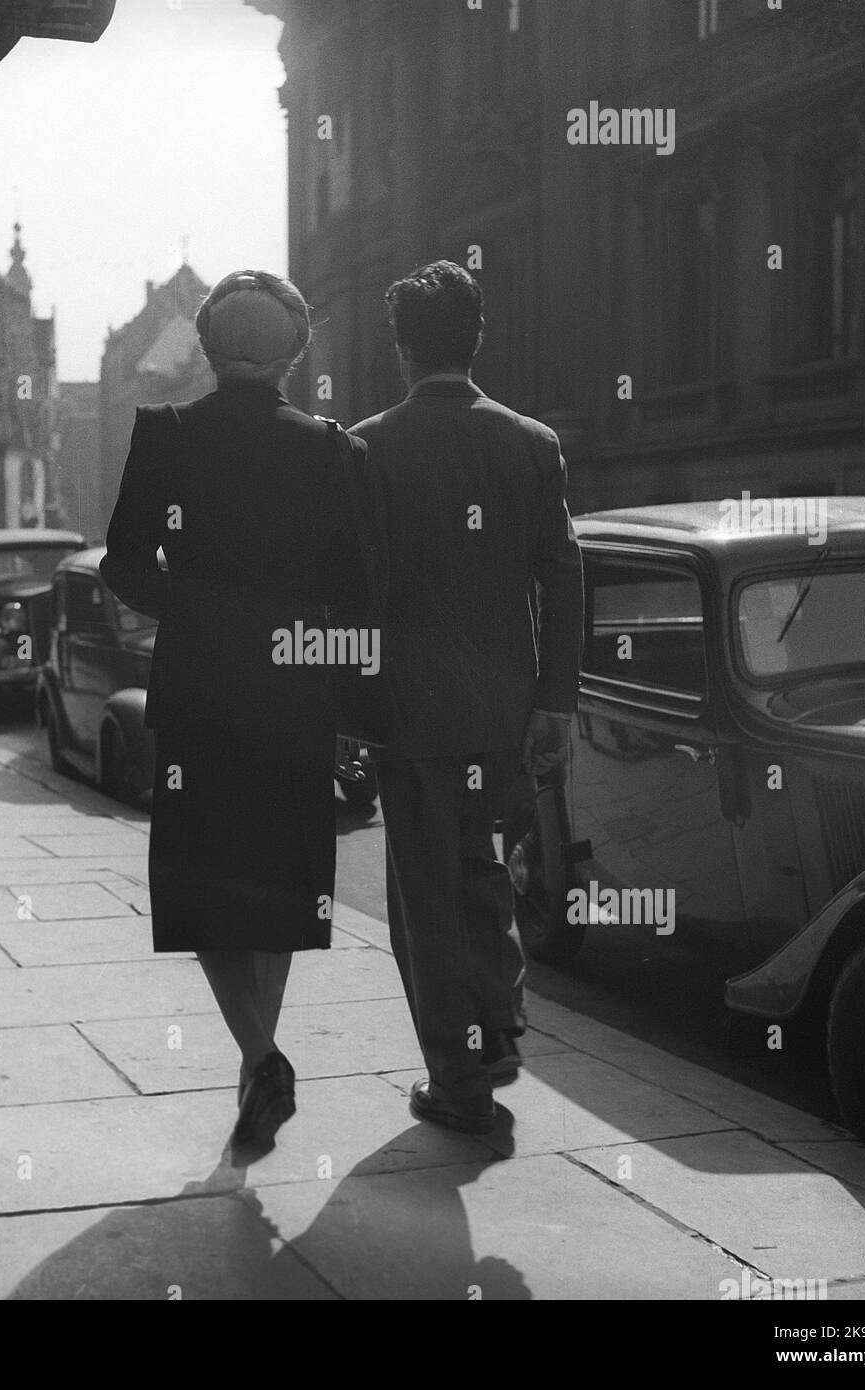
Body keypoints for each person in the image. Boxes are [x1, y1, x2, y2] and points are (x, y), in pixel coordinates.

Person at [101, 270, 368, 1154]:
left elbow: (125, 567)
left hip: (203, 686)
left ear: (209, 350)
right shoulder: (334, 450)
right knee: (282, 885)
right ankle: (258, 1062)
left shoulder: (167, 434)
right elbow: (353, 589)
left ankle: (260, 1057)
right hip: (295, 692)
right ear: (296, 352)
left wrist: (198, 609)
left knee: (205, 879)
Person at [350, 261, 584, 1134]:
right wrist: (553, 703)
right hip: (504, 713)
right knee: (485, 873)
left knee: (423, 896)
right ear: (475, 337)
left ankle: (460, 1076)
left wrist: (348, 705)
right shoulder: (531, 443)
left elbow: (359, 590)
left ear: (402, 347)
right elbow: (563, 576)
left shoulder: (369, 446)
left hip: (408, 715)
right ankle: (497, 1025)